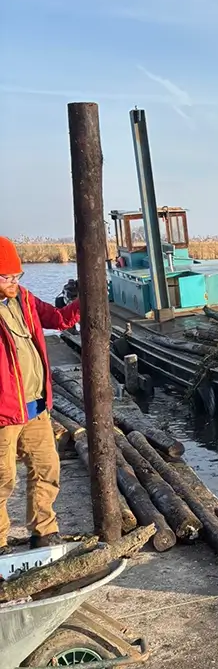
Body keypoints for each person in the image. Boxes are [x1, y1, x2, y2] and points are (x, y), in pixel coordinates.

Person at [0, 237, 80, 553]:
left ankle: (43, 532)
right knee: (3, 480)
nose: (12, 283)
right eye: (5, 277)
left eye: (16, 276)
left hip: (35, 406)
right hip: (4, 413)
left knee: (47, 469)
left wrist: (84, 299)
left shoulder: (25, 299)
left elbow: (59, 320)